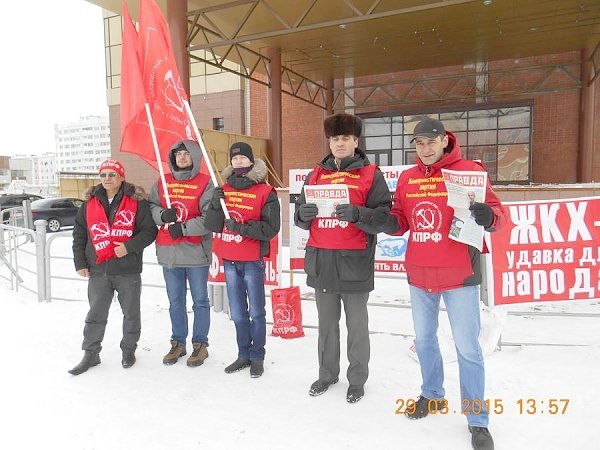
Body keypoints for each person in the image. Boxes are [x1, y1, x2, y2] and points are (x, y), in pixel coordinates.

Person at [377, 117, 506, 450]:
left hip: (459, 275)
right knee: (423, 339)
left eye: (431, 142)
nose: (425, 149)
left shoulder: (468, 170)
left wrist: (488, 216)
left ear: (445, 141)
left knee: (468, 348)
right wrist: (381, 220)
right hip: (419, 274)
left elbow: (496, 212)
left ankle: (477, 419)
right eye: (419, 143)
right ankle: (432, 394)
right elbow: (400, 220)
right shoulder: (407, 177)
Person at [294, 113, 391, 403]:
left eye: (345, 138)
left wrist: (359, 214)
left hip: (354, 263)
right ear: (329, 141)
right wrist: (303, 214)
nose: (339, 143)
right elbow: (300, 215)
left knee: (357, 327)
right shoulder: (315, 175)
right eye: (335, 138)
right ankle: (327, 374)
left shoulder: (372, 174)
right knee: (326, 325)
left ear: (355, 141)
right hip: (322, 261)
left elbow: (384, 218)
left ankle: (357, 379)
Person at [70, 159, 157, 375]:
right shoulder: (89, 203)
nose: (107, 178)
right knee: (95, 314)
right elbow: (79, 235)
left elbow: (149, 231)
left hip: (127, 269)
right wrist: (80, 262)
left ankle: (128, 350)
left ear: (121, 177)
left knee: (131, 314)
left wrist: (129, 246)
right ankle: (91, 354)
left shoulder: (137, 201)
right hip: (98, 269)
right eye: (103, 175)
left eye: (112, 174)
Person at [205, 142, 280, 378]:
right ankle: (243, 354)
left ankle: (257, 355)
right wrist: (216, 204)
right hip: (230, 259)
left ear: (251, 161)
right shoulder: (224, 189)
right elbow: (213, 225)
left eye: (242, 158)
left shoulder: (265, 191)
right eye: (234, 158)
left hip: (251, 259)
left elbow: (271, 229)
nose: (238, 162)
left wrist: (241, 227)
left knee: (256, 311)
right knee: (237, 313)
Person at [148, 140, 215, 367]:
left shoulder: (206, 183)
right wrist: (161, 216)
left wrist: (183, 228)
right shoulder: (162, 182)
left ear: (194, 157)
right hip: (169, 252)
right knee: (175, 301)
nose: (182, 158)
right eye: (178, 154)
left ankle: (200, 344)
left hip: (196, 251)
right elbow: (151, 207)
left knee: (200, 301)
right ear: (172, 158)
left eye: (187, 154)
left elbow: (210, 218)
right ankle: (178, 342)